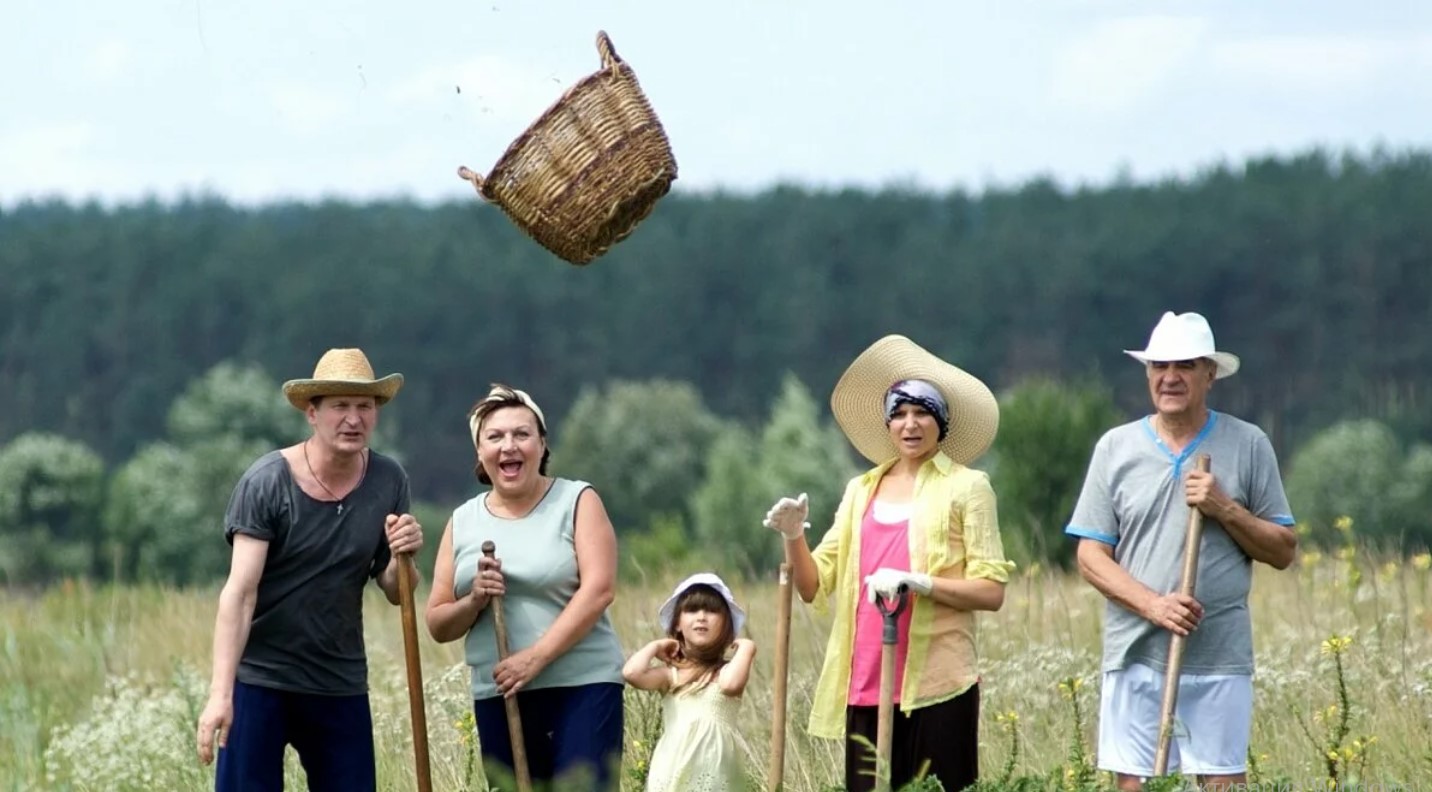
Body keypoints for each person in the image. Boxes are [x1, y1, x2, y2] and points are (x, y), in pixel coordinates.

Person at [764, 334, 1014, 792]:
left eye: (922, 412)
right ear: (887, 424)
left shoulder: (968, 487)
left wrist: (921, 583)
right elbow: (812, 585)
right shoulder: (861, 489)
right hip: (866, 679)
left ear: (942, 421)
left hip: (939, 683)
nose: (910, 424)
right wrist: (795, 535)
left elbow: (991, 591)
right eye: (898, 413)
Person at [1066, 311, 1297, 791]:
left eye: (1186, 365)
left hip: (1218, 653)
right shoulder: (1116, 447)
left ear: (1210, 374)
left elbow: (1282, 550)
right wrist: (1156, 606)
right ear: (1148, 373)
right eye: (1159, 366)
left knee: (1220, 784)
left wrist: (1224, 508)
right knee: (1135, 784)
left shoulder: (1248, 443)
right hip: (1135, 651)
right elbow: (1091, 556)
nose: (1170, 377)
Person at [195, 347, 424, 792]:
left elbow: (398, 590)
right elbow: (240, 593)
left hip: (339, 682)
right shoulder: (267, 481)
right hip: (262, 678)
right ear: (312, 414)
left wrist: (405, 555)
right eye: (340, 406)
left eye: (364, 407)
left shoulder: (389, 480)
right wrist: (220, 694)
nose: (353, 419)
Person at [425, 383, 624, 790]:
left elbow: (599, 590)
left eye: (522, 434)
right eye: (494, 437)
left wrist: (535, 658)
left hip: (582, 686)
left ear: (542, 444)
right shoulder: (463, 521)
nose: (508, 446)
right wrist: (475, 599)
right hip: (499, 694)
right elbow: (438, 623)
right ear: (480, 453)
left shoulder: (576, 500)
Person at [623, 573, 757, 792]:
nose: (702, 617)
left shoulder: (725, 672)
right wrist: (656, 647)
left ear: (727, 626)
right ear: (677, 624)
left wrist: (748, 648)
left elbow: (731, 685)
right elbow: (632, 673)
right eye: (692, 610)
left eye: (712, 611)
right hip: (672, 773)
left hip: (716, 777)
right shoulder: (671, 675)